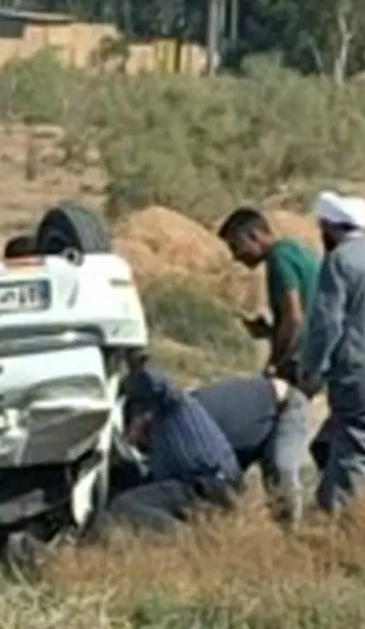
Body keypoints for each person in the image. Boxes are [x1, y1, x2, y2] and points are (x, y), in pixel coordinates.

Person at [296, 190, 365, 512]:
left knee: (353, 464)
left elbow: (327, 324)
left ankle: (347, 530)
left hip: (360, 377)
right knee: (335, 446)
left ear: (329, 229)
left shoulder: (340, 261)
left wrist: (311, 370)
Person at [102, 362, 242, 534]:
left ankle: (184, 543)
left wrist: (132, 368)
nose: (132, 442)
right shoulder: (162, 448)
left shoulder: (173, 405)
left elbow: (155, 381)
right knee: (133, 499)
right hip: (208, 487)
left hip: (207, 483)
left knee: (124, 506)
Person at [216, 207, 322, 382]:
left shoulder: (278, 258)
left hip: (301, 360)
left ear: (254, 236)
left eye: (236, 246)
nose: (236, 256)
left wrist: (275, 363)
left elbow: (294, 318)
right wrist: (270, 331)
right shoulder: (292, 250)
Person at [191, 373, 309, 525]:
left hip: (283, 406)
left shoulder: (190, 426)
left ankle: (291, 539)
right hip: (244, 433)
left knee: (281, 474)